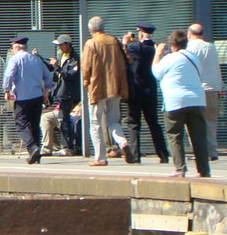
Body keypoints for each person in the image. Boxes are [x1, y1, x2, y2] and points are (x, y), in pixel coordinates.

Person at [152, 30, 211, 178]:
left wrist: (158, 54)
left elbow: (156, 72)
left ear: (173, 45)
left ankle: (180, 169)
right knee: (199, 136)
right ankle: (204, 170)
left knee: (174, 135)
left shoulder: (170, 58)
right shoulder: (194, 57)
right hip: (196, 100)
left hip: (175, 102)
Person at [81, 16, 131, 166]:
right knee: (113, 120)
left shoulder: (91, 43)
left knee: (95, 122)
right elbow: (124, 62)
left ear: (91, 29)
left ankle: (100, 157)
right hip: (115, 86)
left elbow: (86, 66)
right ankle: (123, 142)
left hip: (98, 88)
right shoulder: (114, 41)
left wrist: (86, 82)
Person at [2, 36, 53, 164]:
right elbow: (48, 76)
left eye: (12, 47)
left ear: (16, 47)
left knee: (21, 124)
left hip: (23, 98)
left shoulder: (15, 59)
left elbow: (9, 75)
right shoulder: (36, 59)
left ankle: (32, 147)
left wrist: (6, 90)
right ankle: (36, 156)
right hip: (37, 97)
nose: (12, 50)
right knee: (34, 125)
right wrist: (46, 92)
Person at [123, 23, 169, 164]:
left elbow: (124, 52)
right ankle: (163, 154)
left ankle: (136, 155)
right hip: (151, 91)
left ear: (141, 33)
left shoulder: (136, 48)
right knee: (153, 123)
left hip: (136, 90)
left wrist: (125, 42)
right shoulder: (155, 48)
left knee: (134, 123)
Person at [185, 24, 223, 160]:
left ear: (189, 34)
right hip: (213, 88)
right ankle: (212, 151)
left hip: (197, 89)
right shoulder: (211, 47)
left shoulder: (189, 48)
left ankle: (199, 152)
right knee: (211, 122)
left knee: (194, 123)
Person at [49, 34, 81, 155]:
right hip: (60, 93)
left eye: (61, 45)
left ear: (67, 44)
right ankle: (66, 146)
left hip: (69, 94)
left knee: (65, 120)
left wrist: (57, 67)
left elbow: (70, 76)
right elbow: (56, 75)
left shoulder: (75, 59)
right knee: (63, 120)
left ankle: (68, 147)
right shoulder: (61, 56)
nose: (59, 48)